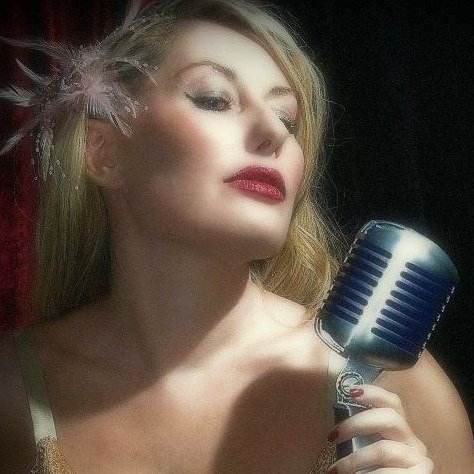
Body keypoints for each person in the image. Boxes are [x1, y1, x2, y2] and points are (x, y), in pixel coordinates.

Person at [0, 0, 473, 472]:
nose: (273, 132)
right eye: (214, 99)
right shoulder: (13, 391)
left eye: (287, 119)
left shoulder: (395, 388)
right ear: (102, 152)